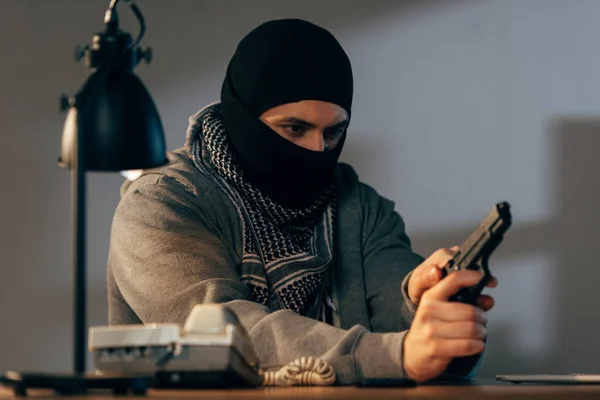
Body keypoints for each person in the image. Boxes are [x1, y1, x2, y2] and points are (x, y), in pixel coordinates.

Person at [106, 18, 497, 384]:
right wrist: (398, 353)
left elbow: (405, 336)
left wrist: (430, 310)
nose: (317, 150)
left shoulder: (360, 208)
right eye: (295, 128)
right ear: (244, 116)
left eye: (333, 133)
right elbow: (221, 334)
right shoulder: (159, 205)